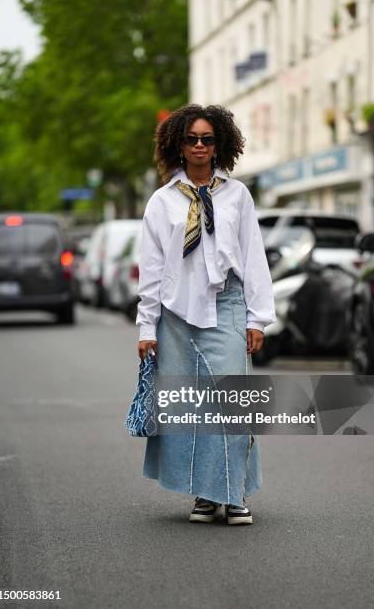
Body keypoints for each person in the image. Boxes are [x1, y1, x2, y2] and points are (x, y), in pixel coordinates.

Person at [136, 104, 276, 525]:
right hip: (176, 313)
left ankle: (233, 495)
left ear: (220, 146)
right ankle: (204, 494)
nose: (199, 146)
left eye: (207, 139)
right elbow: (152, 267)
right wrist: (147, 325)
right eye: (191, 139)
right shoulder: (162, 202)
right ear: (178, 146)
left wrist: (257, 318)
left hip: (228, 304)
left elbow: (254, 257)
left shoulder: (238, 196)